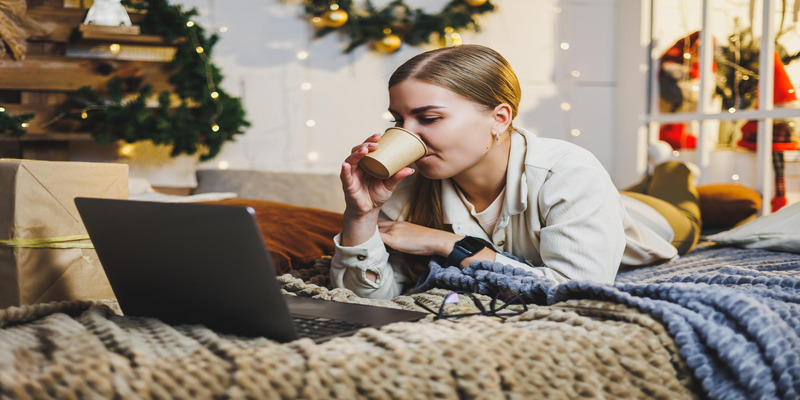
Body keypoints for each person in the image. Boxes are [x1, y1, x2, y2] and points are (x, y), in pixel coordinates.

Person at [331, 44, 701, 300]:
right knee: (620, 194)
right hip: (594, 202)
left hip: (657, 223)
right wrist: (360, 215)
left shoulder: (568, 170)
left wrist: (451, 245)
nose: (407, 135)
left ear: (499, 117)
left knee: (676, 194)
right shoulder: (409, 183)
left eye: (428, 118)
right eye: (399, 120)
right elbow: (359, 299)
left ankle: (672, 167)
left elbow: (575, 290)